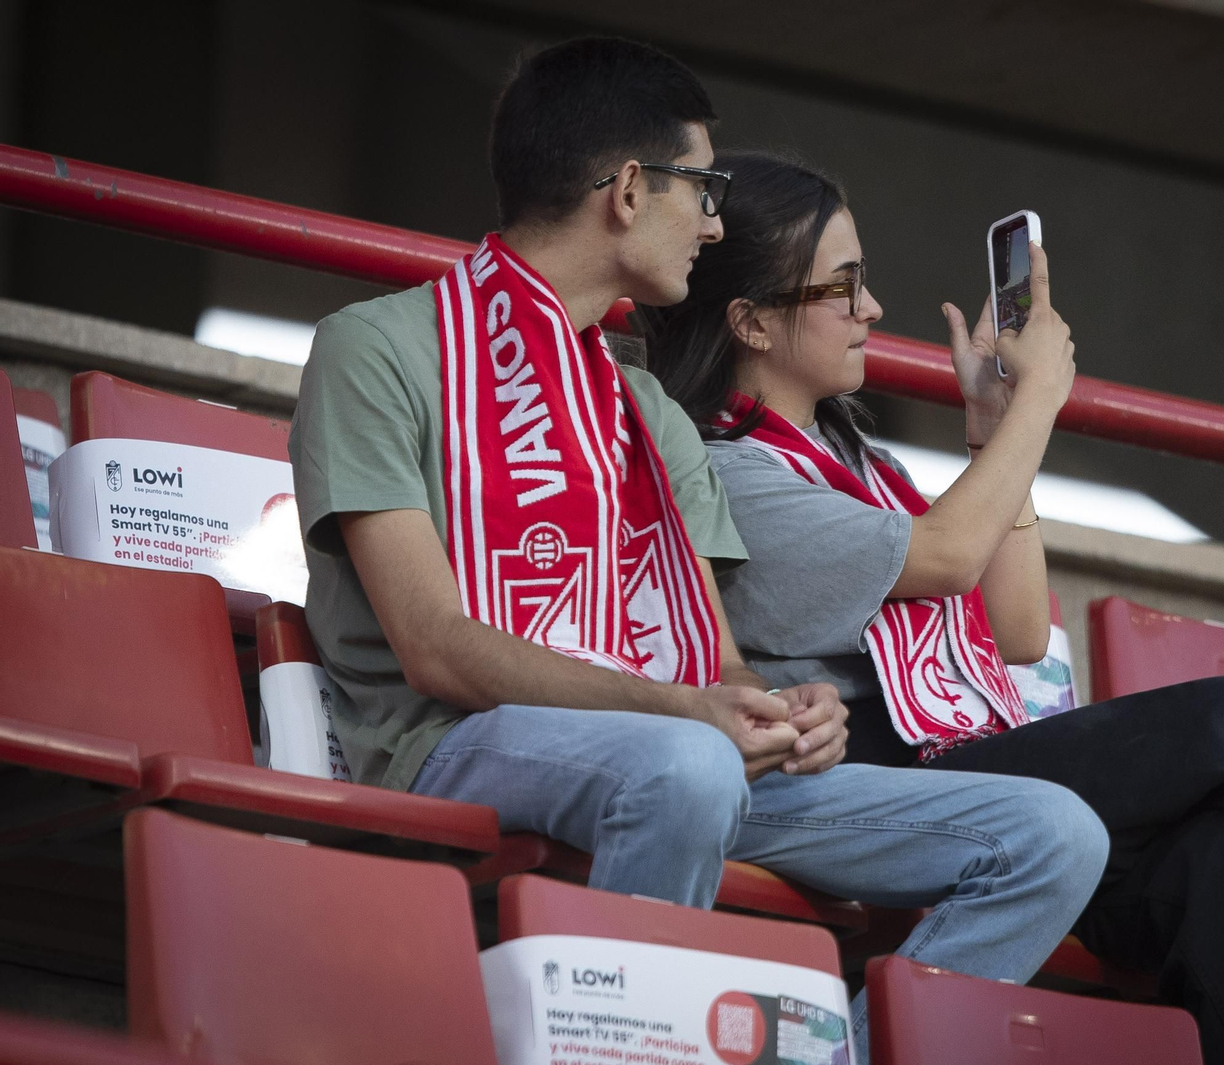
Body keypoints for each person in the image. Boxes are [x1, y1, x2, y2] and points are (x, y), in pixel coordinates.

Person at [641, 150, 1224, 1065]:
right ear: (753, 323)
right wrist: (1037, 410)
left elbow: (1015, 631)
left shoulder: (868, 466)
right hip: (886, 781)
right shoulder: (738, 472)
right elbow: (946, 554)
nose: (872, 308)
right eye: (841, 287)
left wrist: (990, 439)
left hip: (972, 758)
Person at [288, 38, 1110, 1056]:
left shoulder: (647, 409)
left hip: (684, 756)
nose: (712, 222)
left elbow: (710, 661)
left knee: (1050, 834)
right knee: (682, 765)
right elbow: (436, 649)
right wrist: (689, 713)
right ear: (630, 191)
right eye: (701, 187)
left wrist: (782, 714)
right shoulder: (377, 348)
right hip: (454, 740)